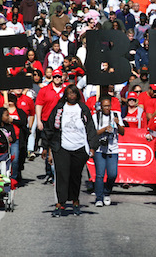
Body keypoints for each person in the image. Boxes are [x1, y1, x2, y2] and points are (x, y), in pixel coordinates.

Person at [43, 84, 98, 217]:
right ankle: (60, 203)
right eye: (69, 93)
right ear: (66, 95)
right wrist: (45, 147)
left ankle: (75, 201)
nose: (72, 96)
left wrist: (92, 146)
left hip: (79, 147)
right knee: (62, 175)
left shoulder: (83, 109)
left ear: (77, 95)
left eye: (74, 93)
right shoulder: (59, 108)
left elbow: (90, 128)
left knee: (75, 176)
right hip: (61, 147)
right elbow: (49, 127)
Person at [92, 96, 125, 207]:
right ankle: (99, 198)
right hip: (99, 149)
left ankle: (107, 192)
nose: (107, 108)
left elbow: (122, 132)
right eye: (105, 106)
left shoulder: (116, 115)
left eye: (108, 106)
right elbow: (93, 133)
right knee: (100, 174)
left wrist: (118, 123)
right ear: (101, 107)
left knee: (112, 174)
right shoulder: (95, 117)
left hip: (113, 148)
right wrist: (104, 129)